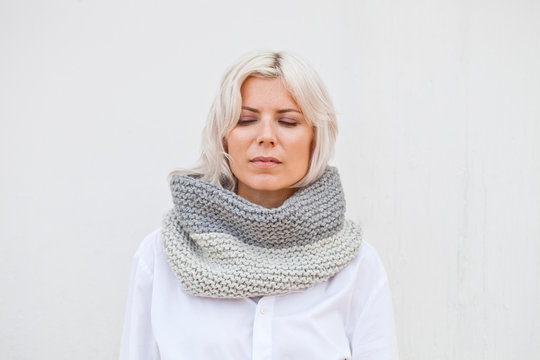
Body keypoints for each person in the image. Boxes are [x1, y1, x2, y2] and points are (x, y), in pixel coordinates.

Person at [119, 50, 398, 360]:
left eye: (288, 121)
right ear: (223, 135)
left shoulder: (357, 266)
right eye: (246, 119)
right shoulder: (160, 257)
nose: (266, 136)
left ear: (315, 139)